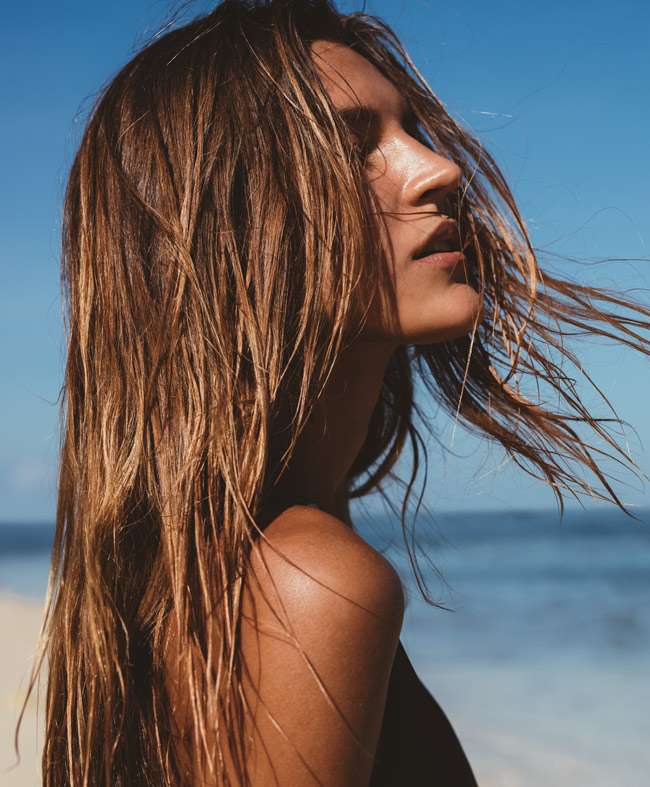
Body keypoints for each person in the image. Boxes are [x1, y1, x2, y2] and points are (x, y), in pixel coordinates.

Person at [19, 1, 650, 784]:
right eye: (355, 148)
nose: (438, 169)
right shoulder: (309, 583)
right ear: (233, 224)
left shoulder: (204, 568)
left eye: (410, 130)